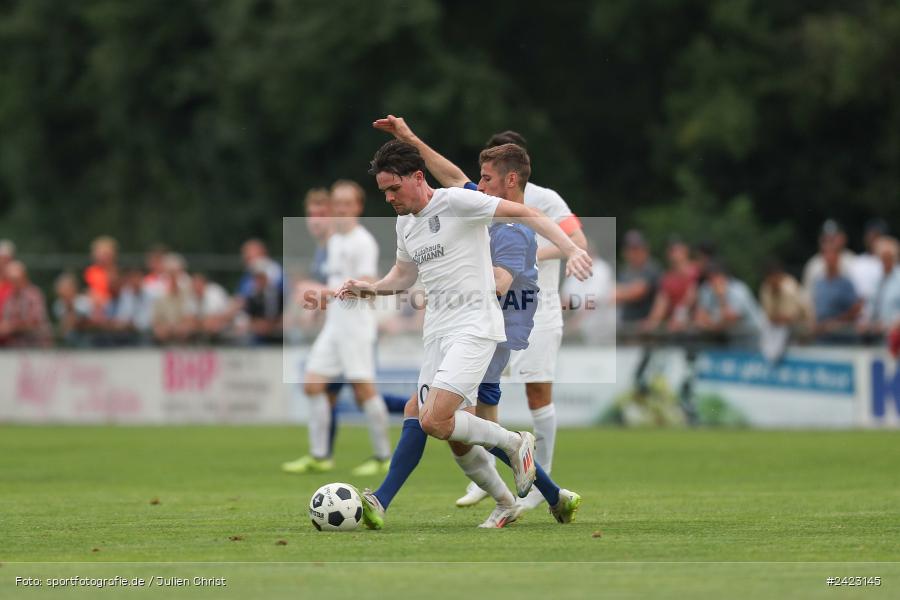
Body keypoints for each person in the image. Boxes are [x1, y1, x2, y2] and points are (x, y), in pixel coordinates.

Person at [340, 138, 591, 525]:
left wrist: (570, 249)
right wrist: (371, 288)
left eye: (394, 188)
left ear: (418, 177)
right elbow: (404, 275)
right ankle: (530, 495)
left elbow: (524, 213)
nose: (389, 198)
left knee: (432, 419)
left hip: (475, 327)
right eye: (384, 191)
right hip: (437, 333)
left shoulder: (457, 203)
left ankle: (383, 500)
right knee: (439, 424)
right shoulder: (405, 223)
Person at [282, 179, 393, 477]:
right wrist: (321, 302)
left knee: (363, 391)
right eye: (338, 204)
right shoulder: (335, 241)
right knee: (313, 384)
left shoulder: (363, 241)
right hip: (335, 325)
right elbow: (334, 286)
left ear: (358, 207)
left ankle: (384, 456)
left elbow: (367, 287)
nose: (342, 209)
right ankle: (320, 456)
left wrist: (319, 291)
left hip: (356, 326)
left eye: (348, 204)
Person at [641, 237, 699, 333]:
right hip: (676, 328)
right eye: (671, 250)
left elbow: (692, 296)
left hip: (696, 325)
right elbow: (662, 301)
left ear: (685, 250)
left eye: (677, 249)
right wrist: (652, 321)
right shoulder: (667, 278)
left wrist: (679, 317)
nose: (674, 253)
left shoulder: (697, 271)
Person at [694, 262, 765, 338]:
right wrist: (713, 325)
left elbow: (729, 320)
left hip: (753, 334)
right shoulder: (707, 288)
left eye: (715, 278)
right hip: (731, 336)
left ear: (724, 277)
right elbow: (699, 319)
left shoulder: (739, 290)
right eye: (710, 279)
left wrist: (721, 297)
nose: (713, 283)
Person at [811, 241, 861, 341]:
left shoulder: (846, 283)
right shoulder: (819, 283)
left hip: (841, 338)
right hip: (822, 337)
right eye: (826, 254)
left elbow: (855, 310)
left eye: (832, 255)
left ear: (838, 258)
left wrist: (836, 322)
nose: (829, 258)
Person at [615, 230, 661, 327]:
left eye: (636, 249)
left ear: (645, 250)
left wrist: (622, 292)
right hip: (626, 324)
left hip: (646, 327)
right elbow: (615, 293)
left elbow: (638, 292)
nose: (633, 253)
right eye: (629, 249)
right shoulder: (625, 270)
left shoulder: (651, 268)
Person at [0, 261, 51, 347]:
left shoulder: (34, 295)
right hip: (14, 348)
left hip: (36, 347)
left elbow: (35, 323)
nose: (13, 283)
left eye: (16, 279)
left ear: (24, 278)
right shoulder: (9, 298)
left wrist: (12, 327)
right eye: (10, 280)